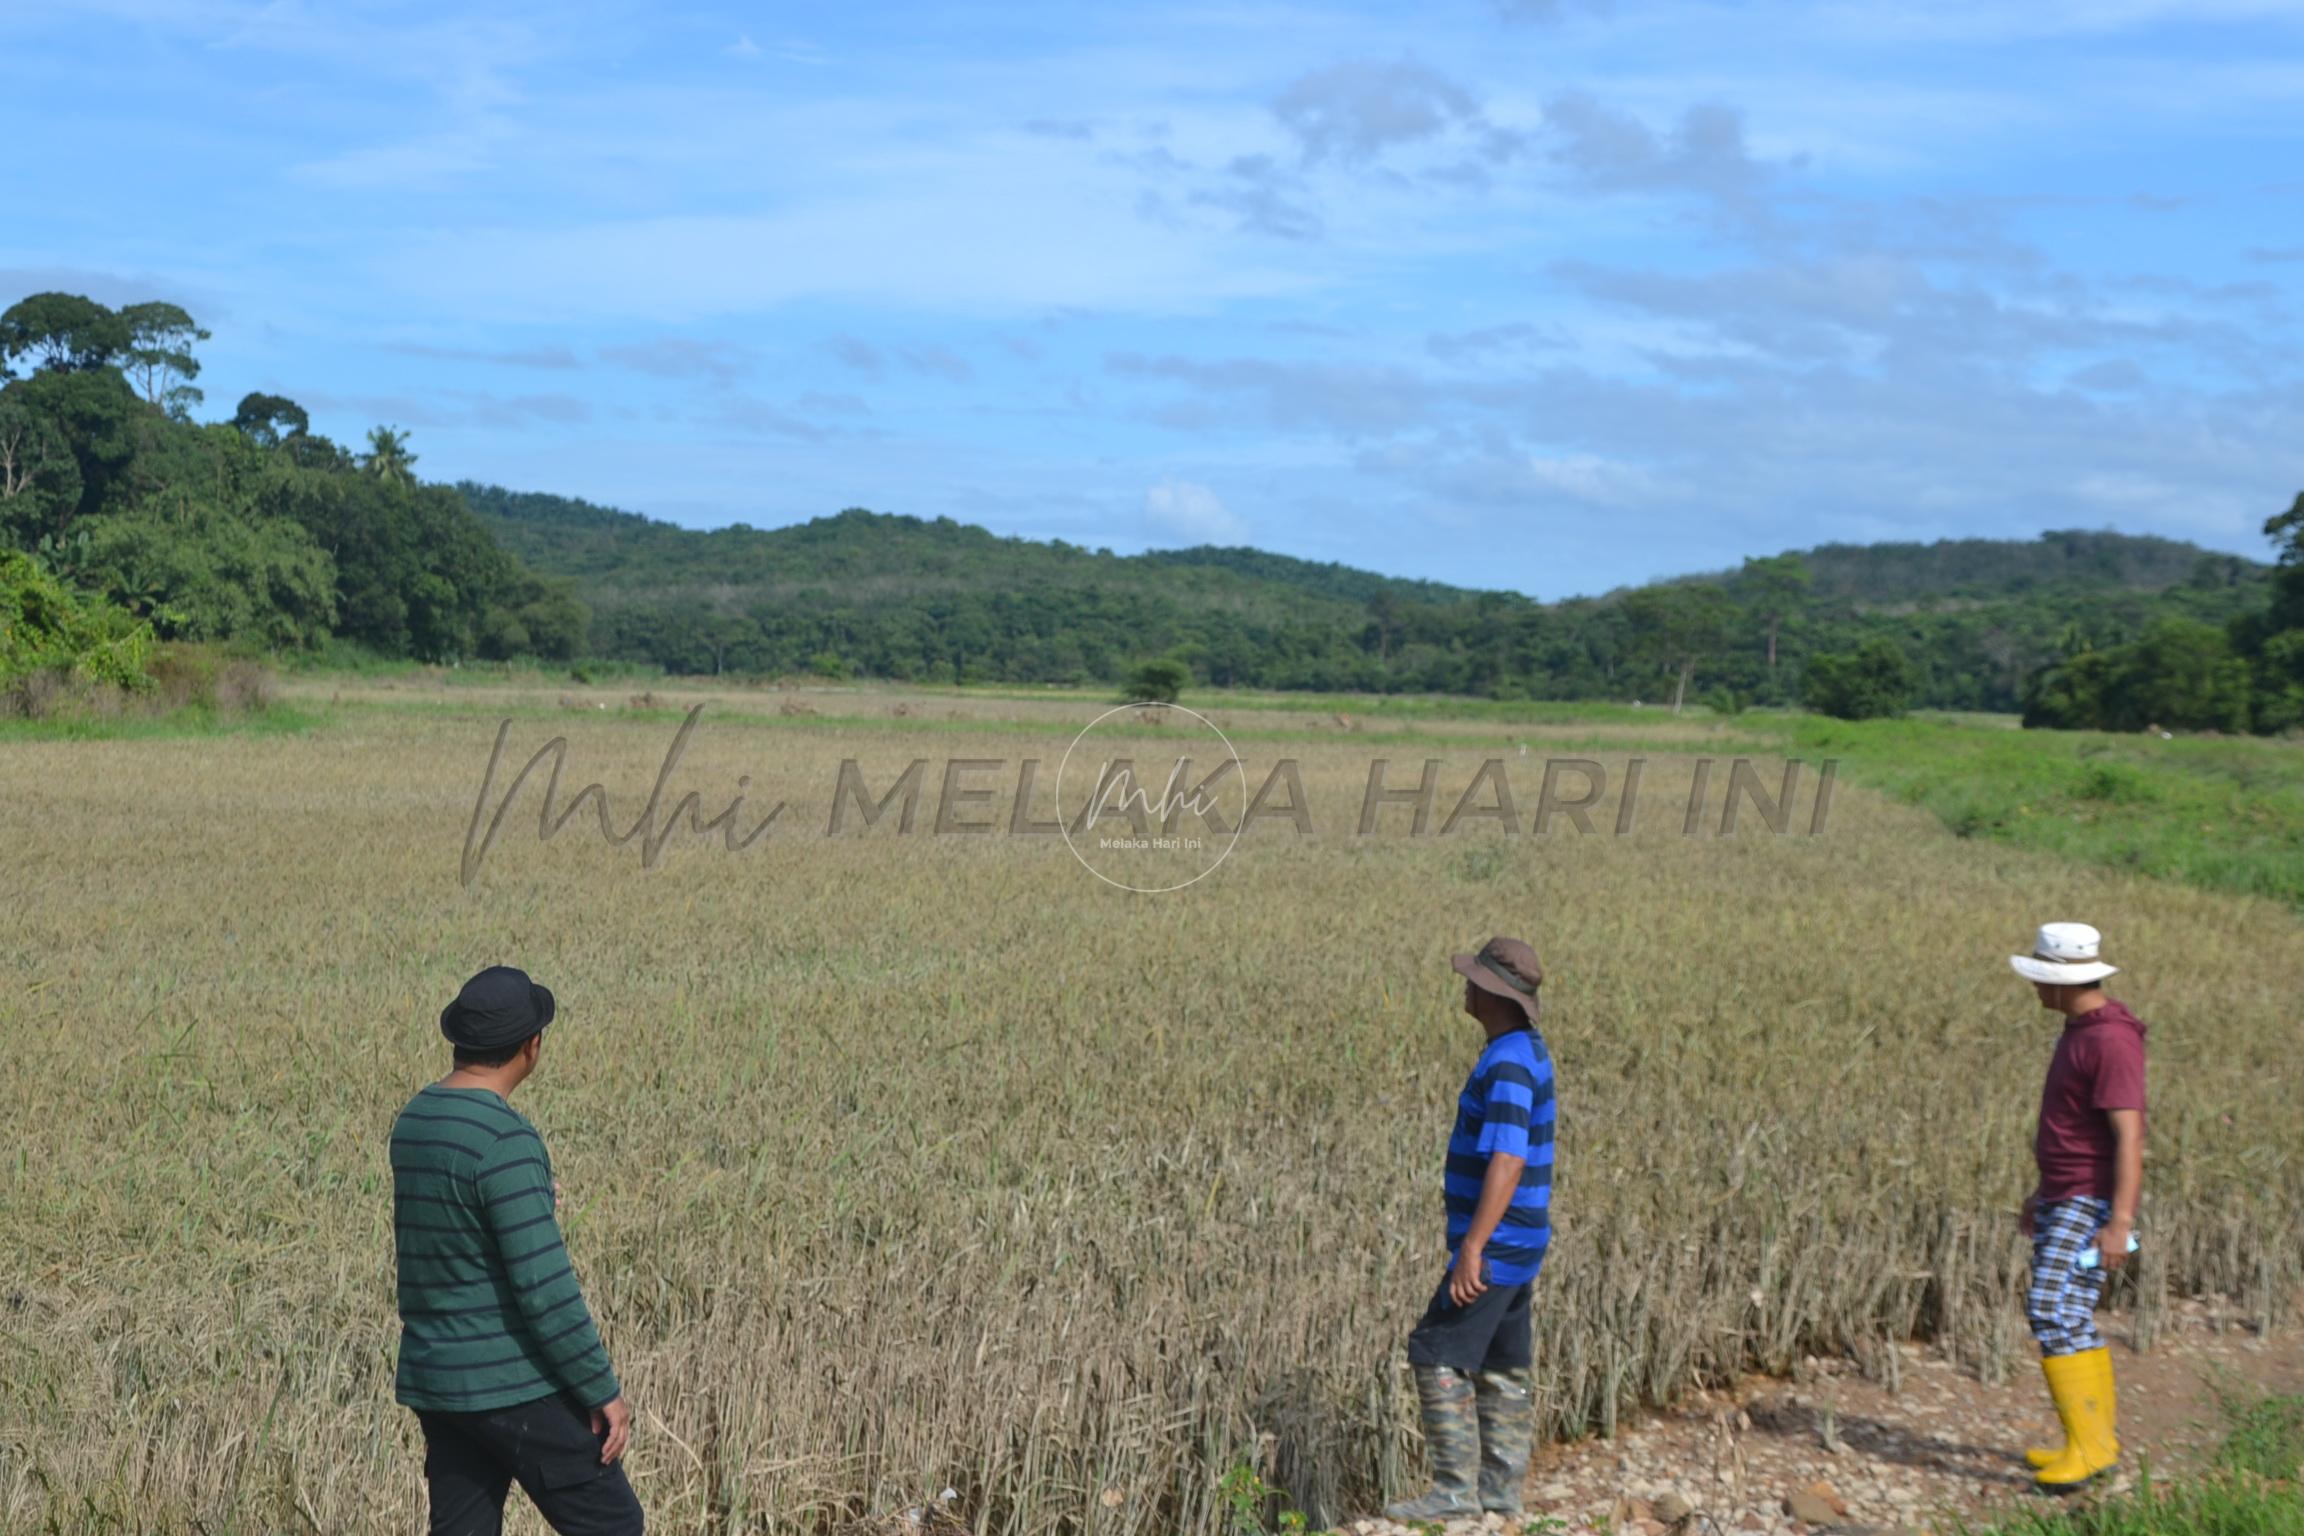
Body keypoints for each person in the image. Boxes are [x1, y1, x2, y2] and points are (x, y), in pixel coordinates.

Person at [390, 965, 643, 1535]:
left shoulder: (416, 1120)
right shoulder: (506, 1138)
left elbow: (454, 1222)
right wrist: (601, 1389)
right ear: (530, 1047)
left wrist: (527, 1198)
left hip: (439, 1381)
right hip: (509, 1384)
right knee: (614, 1524)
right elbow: (545, 1290)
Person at [1384, 937, 1557, 1522]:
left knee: (1435, 1350)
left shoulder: (1507, 1062)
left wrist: (1473, 1249)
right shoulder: (1528, 1049)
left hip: (1499, 1241)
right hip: (1524, 1237)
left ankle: (1455, 1493)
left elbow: (1507, 1159)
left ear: (1494, 994)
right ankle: (1502, 1499)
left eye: (1474, 980)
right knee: (1505, 1362)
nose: (1465, 986)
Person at [2010, 923, 2146, 1494]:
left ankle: (2091, 1448)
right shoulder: (2080, 1030)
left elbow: (2129, 1137)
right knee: (2065, 1310)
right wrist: (2040, 1194)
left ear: (2066, 983)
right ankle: (2088, 1444)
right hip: (2065, 1194)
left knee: (2052, 1308)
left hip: (2087, 1200)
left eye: (2043, 979)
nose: (2036, 989)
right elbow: (2076, 1129)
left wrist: (2119, 1222)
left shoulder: (2109, 1041)